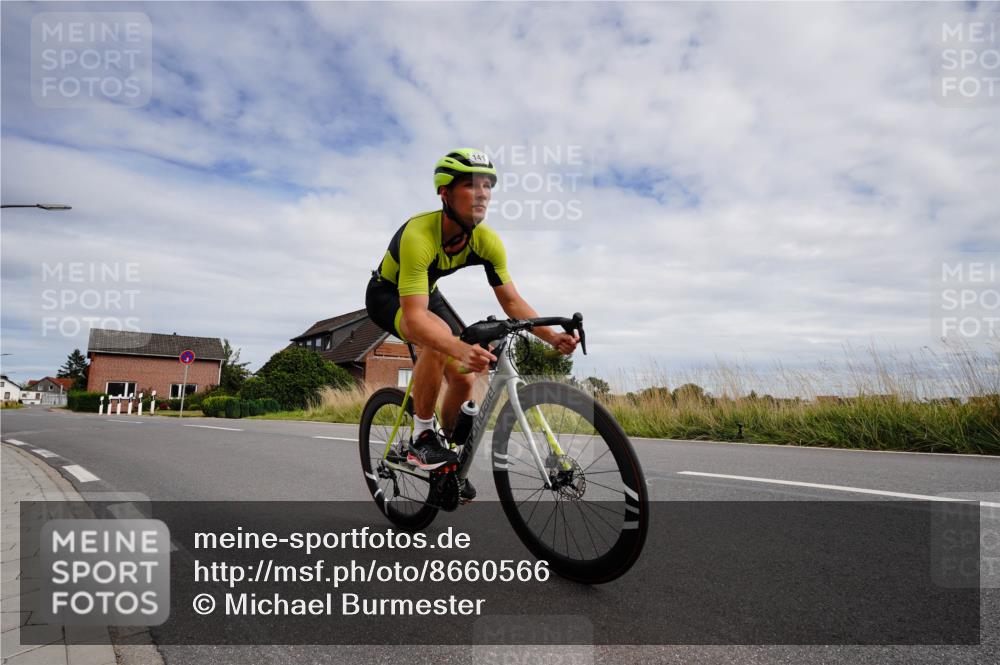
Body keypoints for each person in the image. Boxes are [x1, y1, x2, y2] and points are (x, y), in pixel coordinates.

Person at [365, 148, 579, 498]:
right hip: (387, 295)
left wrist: (550, 337)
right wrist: (457, 345)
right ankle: (421, 438)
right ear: (444, 193)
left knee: (463, 376)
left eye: (487, 186)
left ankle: (445, 462)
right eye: (470, 184)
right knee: (438, 339)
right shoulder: (419, 234)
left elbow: (511, 301)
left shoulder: (487, 241)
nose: (482, 193)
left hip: (426, 292)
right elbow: (417, 317)